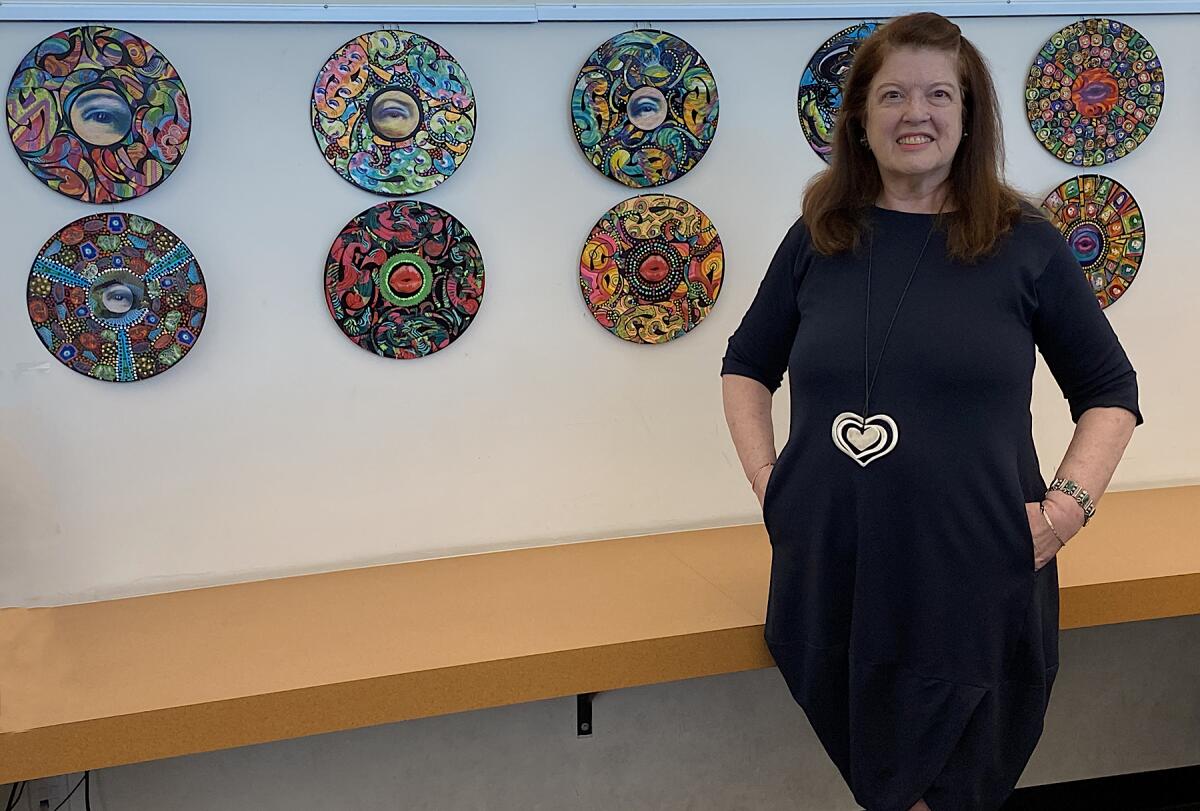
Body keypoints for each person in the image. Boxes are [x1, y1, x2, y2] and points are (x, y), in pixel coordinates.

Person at [720, 12, 1142, 811]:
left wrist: (1068, 510)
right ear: (860, 119)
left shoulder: (1026, 245)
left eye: (939, 93)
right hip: (838, 575)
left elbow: (1110, 393)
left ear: (970, 115)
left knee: (951, 788)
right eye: (893, 95)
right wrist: (771, 482)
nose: (917, 112)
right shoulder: (819, 238)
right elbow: (746, 365)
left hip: (975, 578)